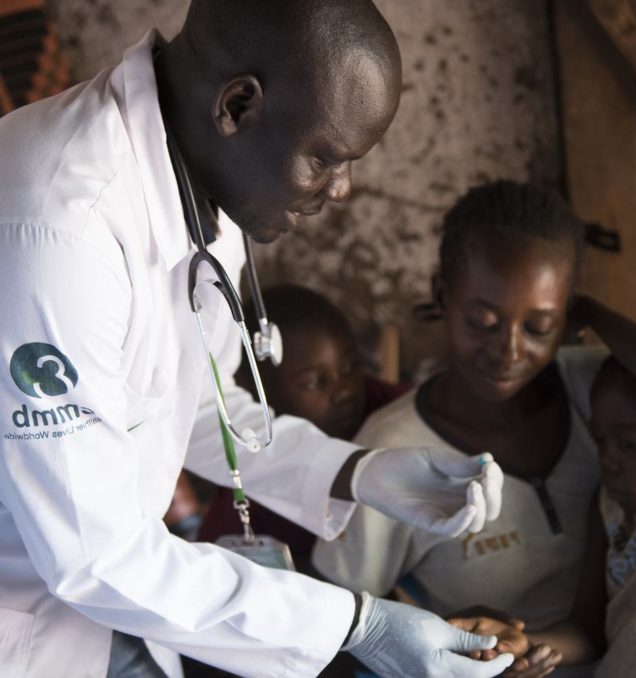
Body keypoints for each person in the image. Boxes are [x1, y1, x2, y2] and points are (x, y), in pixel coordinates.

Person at [0, 2, 512, 677]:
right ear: (238, 105)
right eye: (326, 158)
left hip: (109, 611)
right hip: (33, 624)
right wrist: (358, 623)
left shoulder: (204, 173)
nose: (344, 189)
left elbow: (184, 407)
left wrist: (355, 471)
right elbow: (91, 554)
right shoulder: (55, 229)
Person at [312, 180, 606, 674]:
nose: (509, 349)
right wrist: (444, 635)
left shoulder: (601, 392)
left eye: (539, 327)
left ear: (571, 315)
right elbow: (335, 628)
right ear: (441, 295)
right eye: (483, 321)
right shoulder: (392, 451)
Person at [485, 300, 636, 678]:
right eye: (600, 440)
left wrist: (584, 308)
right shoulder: (608, 508)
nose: (609, 460)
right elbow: (588, 631)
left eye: (630, 444)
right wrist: (527, 646)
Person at [199, 284, 410, 573]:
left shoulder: (388, 408)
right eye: (314, 382)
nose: (344, 391)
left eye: (351, 367)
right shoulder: (243, 502)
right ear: (258, 393)